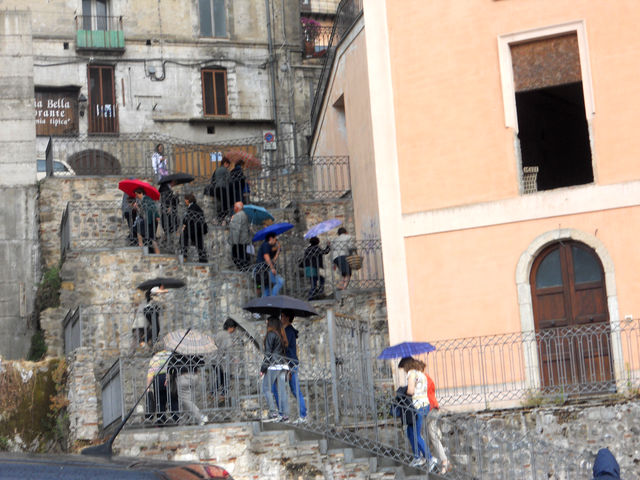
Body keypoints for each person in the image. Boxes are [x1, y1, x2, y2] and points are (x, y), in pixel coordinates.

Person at [398, 356, 436, 471]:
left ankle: (429, 458)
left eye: (404, 367)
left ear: (407, 365)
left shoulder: (411, 373)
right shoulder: (421, 374)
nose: (404, 370)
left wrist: (403, 391)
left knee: (415, 434)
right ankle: (417, 457)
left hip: (417, 407)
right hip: (425, 405)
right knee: (411, 432)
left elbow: (411, 391)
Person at [272, 310, 307, 423]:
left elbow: (285, 348)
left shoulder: (289, 331)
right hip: (286, 364)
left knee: (295, 390)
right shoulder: (286, 331)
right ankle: (285, 414)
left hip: (290, 364)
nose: (281, 318)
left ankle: (302, 415)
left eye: (282, 316)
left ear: (287, 318)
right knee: (283, 388)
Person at [260, 316, 289, 422]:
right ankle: (285, 415)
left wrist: (263, 368)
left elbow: (268, 353)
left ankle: (273, 413)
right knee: (282, 391)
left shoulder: (270, 334)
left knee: (266, 388)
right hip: (283, 365)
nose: (266, 323)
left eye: (267, 322)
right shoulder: (281, 334)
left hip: (273, 365)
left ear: (270, 323)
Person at [169, 353, 208, 425]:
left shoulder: (178, 349)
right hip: (194, 377)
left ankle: (200, 417)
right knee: (186, 400)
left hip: (183, 377)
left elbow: (170, 365)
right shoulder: (194, 348)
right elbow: (202, 363)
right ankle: (183, 422)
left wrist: (169, 374)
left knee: (184, 400)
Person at [213, 317, 239, 396]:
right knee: (225, 377)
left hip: (214, 359)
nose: (234, 330)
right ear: (231, 328)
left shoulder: (219, 333)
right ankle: (223, 395)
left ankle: (214, 393)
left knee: (221, 377)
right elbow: (228, 349)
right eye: (234, 328)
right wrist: (234, 358)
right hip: (222, 361)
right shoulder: (227, 336)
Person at [180, 193, 208, 263]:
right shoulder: (195, 207)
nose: (185, 201)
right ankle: (203, 260)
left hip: (193, 228)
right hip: (197, 229)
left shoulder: (192, 207)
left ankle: (184, 255)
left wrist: (184, 225)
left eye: (185, 200)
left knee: (183, 238)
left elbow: (188, 218)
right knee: (199, 245)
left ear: (188, 200)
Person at [133, 187, 160, 254]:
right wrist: (137, 208)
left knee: (138, 230)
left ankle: (141, 246)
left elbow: (153, 208)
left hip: (150, 221)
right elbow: (142, 213)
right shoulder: (143, 200)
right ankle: (155, 253)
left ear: (141, 193)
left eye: (137, 194)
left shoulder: (146, 199)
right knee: (151, 238)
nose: (136, 196)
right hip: (149, 221)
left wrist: (157, 217)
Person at [255, 232, 284, 297]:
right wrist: (272, 268)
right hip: (264, 269)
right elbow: (266, 258)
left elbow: (273, 260)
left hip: (264, 270)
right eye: (275, 239)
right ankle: (273, 299)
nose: (276, 241)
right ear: (271, 238)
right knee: (280, 282)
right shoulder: (266, 245)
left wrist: (278, 251)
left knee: (266, 289)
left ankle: (264, 305)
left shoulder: (269, 247)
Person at [229, 201, 251, 270]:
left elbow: (236, 229)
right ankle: (245, 268)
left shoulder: (237, 216)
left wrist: (231, 221)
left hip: (239, 240)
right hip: (244, 240)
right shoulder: (244, 214)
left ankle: (243, 269)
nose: (234, 208)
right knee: (243, 256)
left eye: (235, 206)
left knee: (236, 256)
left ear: (238, 208)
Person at [212, 156, 231, 222]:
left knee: (219, 203)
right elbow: (229, 180)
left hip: (216, 188)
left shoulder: (216, 170)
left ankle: (218, 217)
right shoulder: (226, 170)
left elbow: (212, 180)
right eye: (228, 164)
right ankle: (223, 217)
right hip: (223, 188)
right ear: (225, 163)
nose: (228, 166)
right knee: (225, 203)